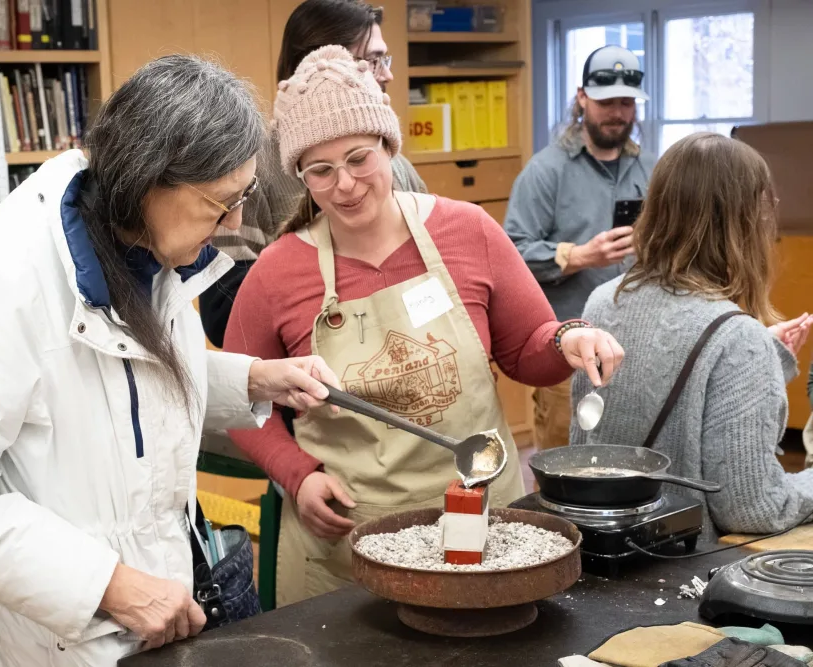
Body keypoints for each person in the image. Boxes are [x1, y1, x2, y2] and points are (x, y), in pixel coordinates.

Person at [0, 55, 341, 667]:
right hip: (51, 630)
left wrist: (250, 379)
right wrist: (108, 585)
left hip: (147, 606)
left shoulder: (140, 241)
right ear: (150, 180)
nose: (237, 221)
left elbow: (115, 389)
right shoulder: (12, 278)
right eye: (222, 202)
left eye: (244, 194)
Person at [223, 46, 625, 607]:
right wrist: (299, 474)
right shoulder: (276, 274)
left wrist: (570, 339)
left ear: (390, 146)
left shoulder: (469, 231)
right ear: (300, 177)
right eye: (321, 170)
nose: (345, 184)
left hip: (487, 527)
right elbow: (240, 398)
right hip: (349, 547)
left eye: (360, 158)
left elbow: (527, 349)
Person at [570, 132, 813, 542]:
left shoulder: (601, 303)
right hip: (682, 580)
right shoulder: (738, 339)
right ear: (746, 221)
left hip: (605, 560)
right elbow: (752, 508)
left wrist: (764, 354)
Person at [199, 0, 427, 349]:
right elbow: (221, 319)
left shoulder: (398, 169)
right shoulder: (251, 170)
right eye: (371, 61)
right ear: (316, 66)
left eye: (385, 59)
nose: (387, 74)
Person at [503, 44, 654, 452]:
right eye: (606, 101)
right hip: (569, 353)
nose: (618, 112)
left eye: (626, 102)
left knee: (629, 464)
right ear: (582, 97)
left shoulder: (651, 170)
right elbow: (513, 255)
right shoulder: (544, 172)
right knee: (561, 464)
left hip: (639, 350)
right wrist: (579, 256)